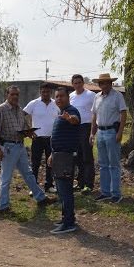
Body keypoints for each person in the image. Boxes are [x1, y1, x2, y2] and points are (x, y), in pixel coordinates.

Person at [0, 85, 55, 214]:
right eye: (12, 94)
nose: (15, 97)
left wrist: (29, 132)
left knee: (28, 174)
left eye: (17, 95)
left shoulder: (19, 110)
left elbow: (23, 126)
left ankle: (40, 198)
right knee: (6, 178)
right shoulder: (0, 110)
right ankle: (3, 206)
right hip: (8, 147)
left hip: (20, 146)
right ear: (6, 95)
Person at [90, 73, 128, 203]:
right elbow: (94, 116)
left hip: (112, 132)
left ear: (110, 83)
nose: (104, 85)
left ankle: (116, 193)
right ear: (99, 84)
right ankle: (105, 192)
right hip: (100, 132)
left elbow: (123, 114)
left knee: (114, 164)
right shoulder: (97, 97)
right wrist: (92, 133)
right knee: (103, 164)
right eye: (101, 83)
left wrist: (120, 132)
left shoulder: (117, 96)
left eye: (106, 82)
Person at [48, 87, 82, 234]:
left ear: (68, 97)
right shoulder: (61, 113)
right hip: (58, 155)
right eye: (56, 97)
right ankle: (66, 218)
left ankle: (69, 223)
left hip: (66, 157)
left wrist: (70, 119)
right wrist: (52, 154)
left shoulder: (71, 111)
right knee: (62, 191)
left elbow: (76, 120)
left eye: (61, 96)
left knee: (65, 190)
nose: (59, 99)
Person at [23, 83, 59, 193]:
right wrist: (28, 129)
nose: (45, 94)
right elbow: (21, 115)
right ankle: (34, 187)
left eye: (47, 92)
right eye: (43, 92)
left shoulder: (56, 104)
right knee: (35, 163)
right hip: (37, 138)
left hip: (52, 138)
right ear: (40, 92)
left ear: (51, 93)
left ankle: (49, 185)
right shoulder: (34, 103)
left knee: (51, 162)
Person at [70, 74, 96, 193]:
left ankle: (88, 184)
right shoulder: (71, 96)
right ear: (72, 84)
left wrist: (93, 131)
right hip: (74, 128)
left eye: (79, 82)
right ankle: (80, 182)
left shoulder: (91, 95)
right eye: (75, 83)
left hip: (86, 127)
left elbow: (96, 113)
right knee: (77, 157)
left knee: (87, 157)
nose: (77, 85)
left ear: (83, 83)